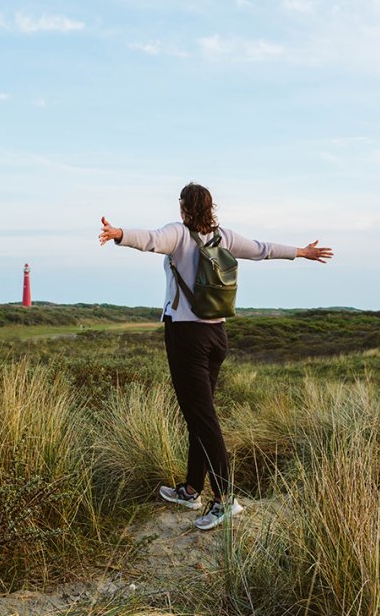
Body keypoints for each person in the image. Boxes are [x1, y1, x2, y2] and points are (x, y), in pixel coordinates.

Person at [98, 182, 333, 530]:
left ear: (183, 208)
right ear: (210, 207)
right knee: (199, 413)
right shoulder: (224, 236)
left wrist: (119, 233)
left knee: (203, 418)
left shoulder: (178, 234)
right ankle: (192, 489)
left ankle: (225, 498)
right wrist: (301, 252)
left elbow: (149, 240)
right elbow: (262, 249)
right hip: (216, 335)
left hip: (186, 336)